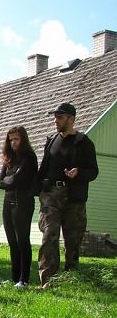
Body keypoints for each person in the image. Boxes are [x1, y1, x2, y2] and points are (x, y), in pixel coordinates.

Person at [35, 103, 98, 289]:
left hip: (74, 197)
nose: (56, 121)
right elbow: (43, 169)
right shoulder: (51, 141)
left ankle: (71, 279)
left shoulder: (84, 142)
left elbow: (93, 171)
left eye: (60, 117)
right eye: (55, 117)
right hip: (51, 195)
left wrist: (79, 173)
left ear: (71, 119)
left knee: (73, 240)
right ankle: (47, 280)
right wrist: (39, 189)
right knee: (49, 236)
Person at [0, 126, 38, 288]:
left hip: (23, 202)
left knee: (22, 240)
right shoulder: (9, 158)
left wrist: (11, 179)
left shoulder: (29, 157)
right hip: (8, 202)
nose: (13, 142)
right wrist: (12, 178)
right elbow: (1, 182)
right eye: (11, 139)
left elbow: (17, 180)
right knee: (12, 241)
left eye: (16, 139)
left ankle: (24, 279)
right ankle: (14, 278)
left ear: (23, 139)